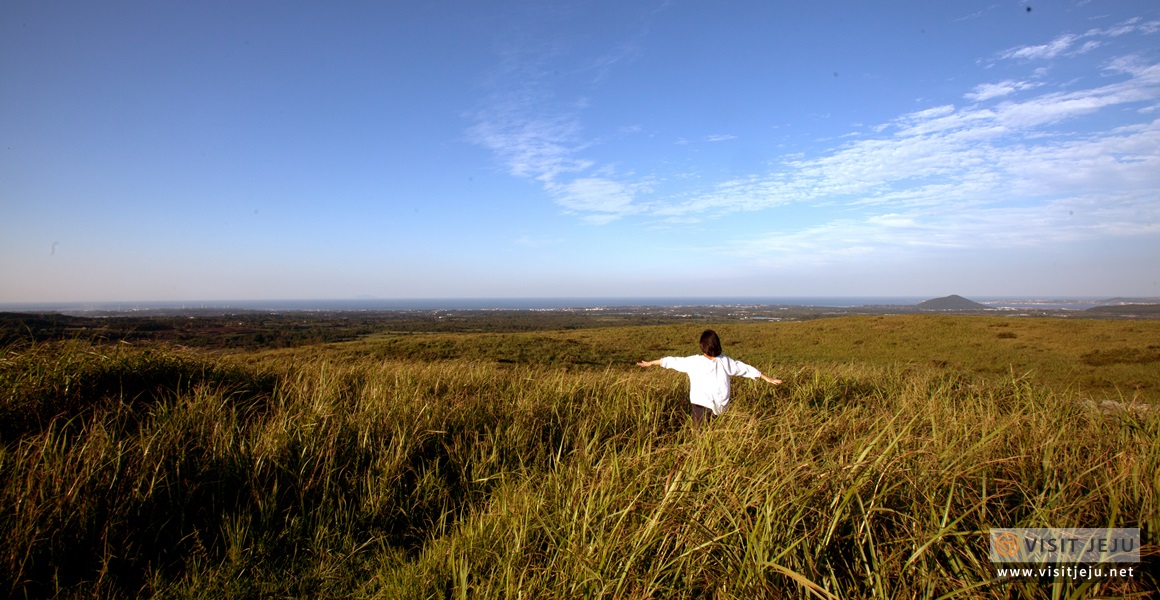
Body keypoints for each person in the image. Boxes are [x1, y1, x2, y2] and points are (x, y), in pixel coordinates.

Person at [637, 329, 782, 424]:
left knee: (702, 438)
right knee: (716, 435)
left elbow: (670, 361)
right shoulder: (725, 361)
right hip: (718, 408)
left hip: (702, 408)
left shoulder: (695, 361)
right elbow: (745, 369)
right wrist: (766, 377)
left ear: (702, 346)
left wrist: (651, 363)